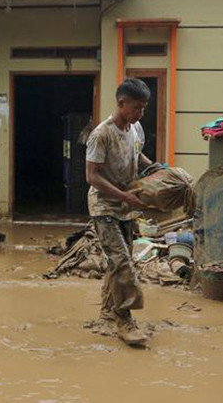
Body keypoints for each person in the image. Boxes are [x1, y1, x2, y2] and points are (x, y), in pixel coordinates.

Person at [85, 78, 153, 346]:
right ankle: (124, 320)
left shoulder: (136, 129)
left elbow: (138, 156)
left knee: (119, 261)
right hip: (103, 206)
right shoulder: (101, 135)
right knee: (122, 261)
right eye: (137, 107)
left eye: (144, 108)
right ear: (122, 103)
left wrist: (155, 169)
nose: (141, 113)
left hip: (126, 206)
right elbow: (91, 176)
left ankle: (107, 310)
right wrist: (124, 195)